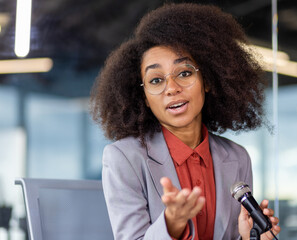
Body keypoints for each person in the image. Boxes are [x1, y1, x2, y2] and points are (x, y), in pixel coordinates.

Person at [90, 3, 280, 240]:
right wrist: (172, 224)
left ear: (207, 80)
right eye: (156, 80)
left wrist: (250, 238)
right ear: (145, 98)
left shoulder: (238, 157)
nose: (172, 88)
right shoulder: (124, 158)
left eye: (184, 73)